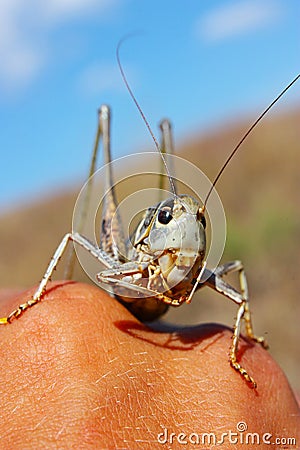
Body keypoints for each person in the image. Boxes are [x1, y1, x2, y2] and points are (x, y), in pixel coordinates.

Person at [0, 282, 299, 448]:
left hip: (158, 310)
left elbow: (239, 298)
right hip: (128, 283)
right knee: (73, 238)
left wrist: (239, 351)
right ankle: (37, 298)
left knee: (236, 274)